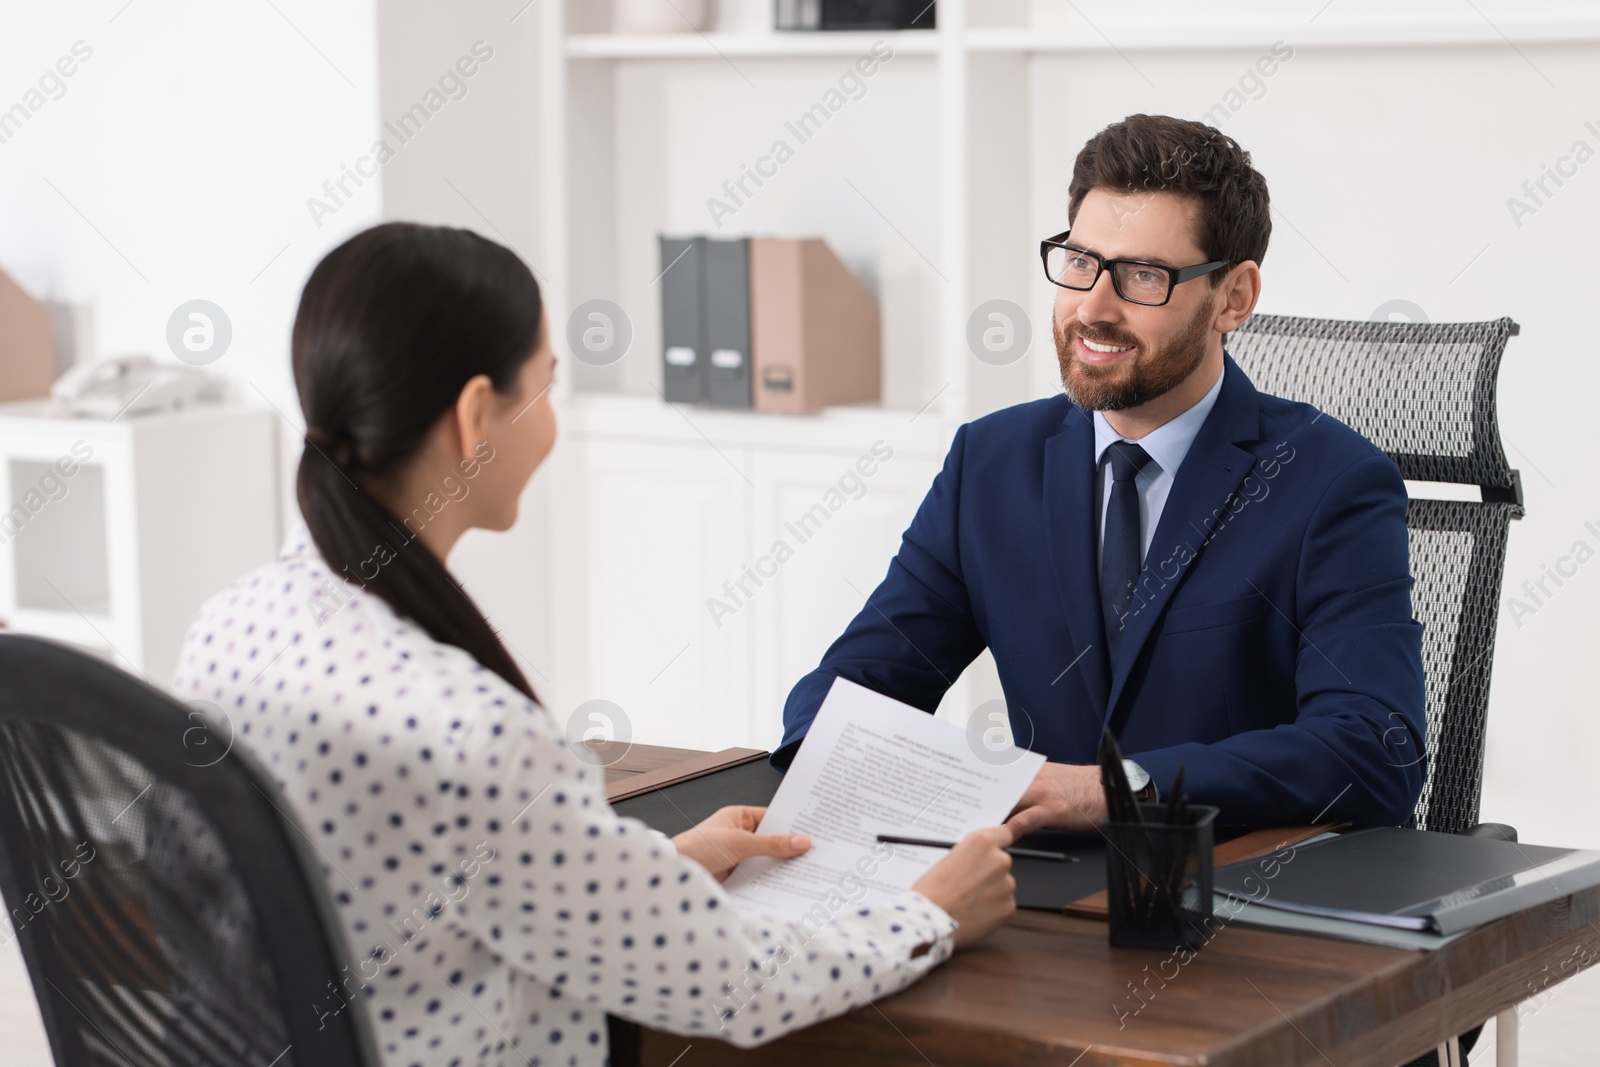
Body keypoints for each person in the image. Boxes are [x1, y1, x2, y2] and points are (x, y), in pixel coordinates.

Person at [172, 222, 1017, 1067]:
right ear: (475, 417)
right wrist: (932, 911)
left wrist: (657, 866)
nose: (552, 426)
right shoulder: (469, 728)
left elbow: (420, 878)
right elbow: (739, 983)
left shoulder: (229, 626)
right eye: (546, 388)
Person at [777, 114, 1428, 835]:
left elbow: (1374, 751)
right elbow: (854, 687)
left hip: (1233, 899)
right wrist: (840, 770)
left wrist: (1118, 790)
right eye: (1080, 262)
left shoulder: (1332, 481)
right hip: (1037, 894)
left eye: (1143, 275)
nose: (1092, 307)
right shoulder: (990, 463)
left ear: (1235, 298)